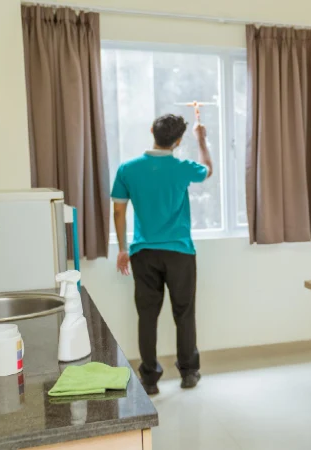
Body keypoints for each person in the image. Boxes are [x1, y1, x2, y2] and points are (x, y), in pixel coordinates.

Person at [111, 113, 213, 395]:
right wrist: (202, 140)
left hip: (144, 253)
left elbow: (118, 210)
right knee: (184, 313)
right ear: (178, 141)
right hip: (179, 253)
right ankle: (189, 372)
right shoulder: (182, 167)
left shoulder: (128, 169)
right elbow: (208, 169)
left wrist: (122, 249)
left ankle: (150, 379)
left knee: (147, 316)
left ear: (151, 132)